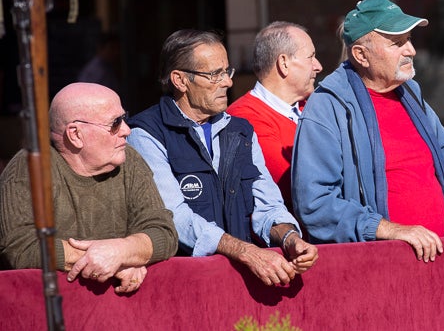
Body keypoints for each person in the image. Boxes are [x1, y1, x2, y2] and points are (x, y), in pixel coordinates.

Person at [292, 0, 444, 262]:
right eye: (398, 43)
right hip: (377, 268)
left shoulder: (411, 95)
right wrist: (387, 229)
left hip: (441, 258)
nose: (411, 50)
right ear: (361, 55)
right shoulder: (327, 106)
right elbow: (315, 203)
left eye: (409, 39)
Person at [127, 29, 318, 287]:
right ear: (180, 80)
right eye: (215, 74)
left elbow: (267, 202)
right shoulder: (147, 133)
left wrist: (291, 238)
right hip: (182, 283)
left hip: (241, 282)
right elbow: (174, 217)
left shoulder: (241, 131)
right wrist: (245, 252)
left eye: (227, 72)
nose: (227, 82)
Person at [0, 83, 177, 294]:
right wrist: (106, 258)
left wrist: (121, 252)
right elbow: (20, 246)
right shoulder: (30, 167)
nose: (127, 130)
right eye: (115, 123)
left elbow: (163, 232)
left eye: (124, 118)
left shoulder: (130, 161)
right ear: (75, 134)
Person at [228, 22, 322, 210]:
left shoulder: (316, 105)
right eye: (310, 57)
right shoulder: (243, 120)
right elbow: (297, 186)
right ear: (283, 63)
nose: (318, 66)